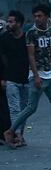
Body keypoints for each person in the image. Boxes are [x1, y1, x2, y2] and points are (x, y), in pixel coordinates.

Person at [3, 4, 51, 148]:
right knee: (31, 107)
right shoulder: (31, 33)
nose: (37, 19)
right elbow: (31, 56)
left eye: (40, 16)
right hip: (38, 74)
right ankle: (10, 131)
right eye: (35, 16)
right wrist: (35, 75)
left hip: (50, 74)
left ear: (47, 16)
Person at [1, 11, 29, 146]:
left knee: (25, 109)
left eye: (12, 21)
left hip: (26, 78)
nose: (9, 24)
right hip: (11, 78)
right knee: (14, 109)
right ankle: (16, 134)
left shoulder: (27, 38)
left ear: (19, 23)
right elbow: (2, 59)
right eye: (8, 21)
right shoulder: (5, 38)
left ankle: (20, 134)